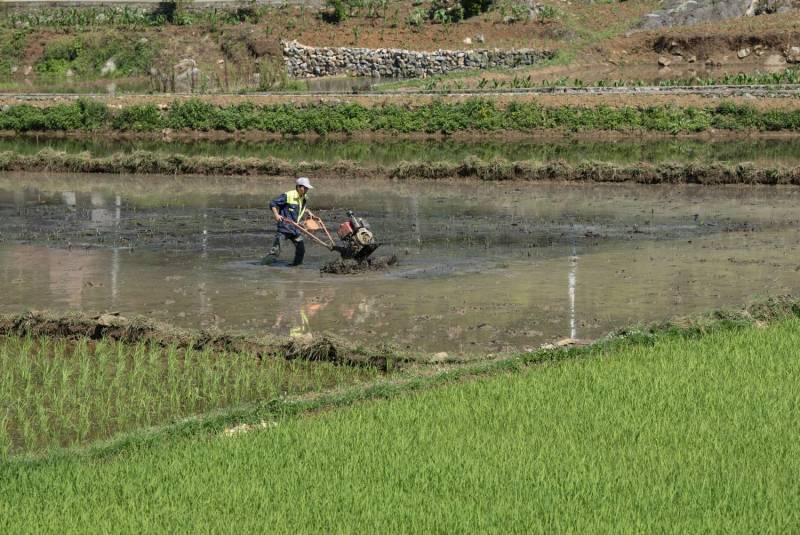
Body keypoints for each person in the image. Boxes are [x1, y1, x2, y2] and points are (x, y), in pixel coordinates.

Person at [262, 177, 320, 267]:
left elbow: (299, 208)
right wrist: (276, 215)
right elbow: (273, 203)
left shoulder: (304, 198)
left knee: (301, 250)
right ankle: (263, 266)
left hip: (295, 229)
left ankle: (296, 267)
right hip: (285, 228)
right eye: (304, 188)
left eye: (307, 188)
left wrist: (309, 212)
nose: (306, 190)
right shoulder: (288, 195)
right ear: (298, 187)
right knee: (276, 252)